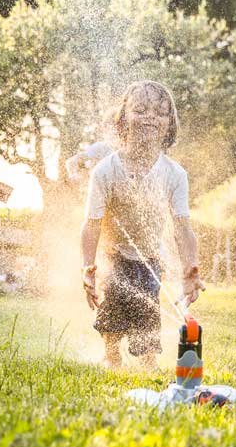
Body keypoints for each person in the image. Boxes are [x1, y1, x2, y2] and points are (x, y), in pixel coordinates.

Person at [80, 80, 205, 369]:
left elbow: (183, 227)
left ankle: (148, 362)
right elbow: (91, 224)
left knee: (147, 309)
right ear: (123, 118)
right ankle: (111, 357)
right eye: (141, 110)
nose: (150, 116)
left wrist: (191, 266)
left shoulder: (174, 174)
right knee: (112, 306)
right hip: (113, 255)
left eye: (160, 112)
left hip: (150, 256)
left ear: (169, 124)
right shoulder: (106, 170)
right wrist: (87, 267)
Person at [65, 113, 118, 182]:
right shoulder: (101, 147)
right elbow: (71, 162)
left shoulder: (127, 149)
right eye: (113, 128)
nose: (116, 131)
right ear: (105, 130)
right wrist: (74, 175)